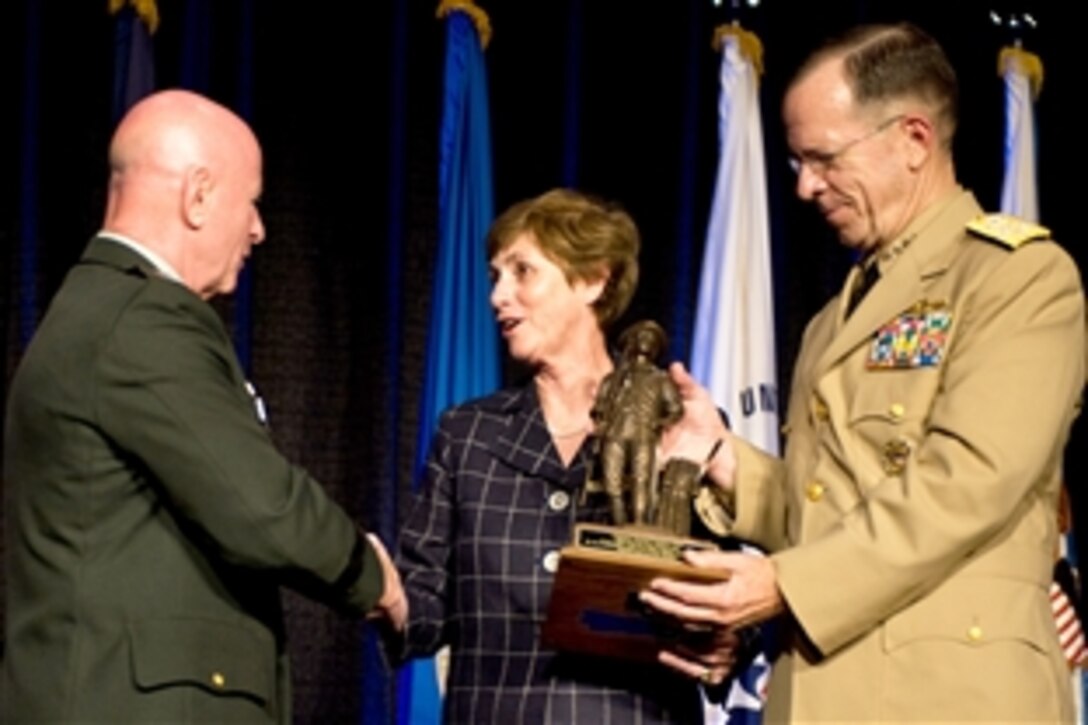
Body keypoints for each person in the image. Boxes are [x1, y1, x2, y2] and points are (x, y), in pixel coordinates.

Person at [640, 22, 1086, 722]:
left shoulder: (1020, 276)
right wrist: (726, 460)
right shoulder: (832, 320)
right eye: (796, 165)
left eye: (822, 158)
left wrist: (782, 584)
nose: (806, 187)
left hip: (947, 698)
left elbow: (968, 482)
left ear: (912, 140)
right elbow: (829, 507)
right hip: (818, 689)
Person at [1, 89, 406, 723]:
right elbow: (258, 506)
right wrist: (370, 573)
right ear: (197, 195)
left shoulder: (100, 309)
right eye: (251, 203)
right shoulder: (141, 317)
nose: (258, 229)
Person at [388, 188, 735, 723]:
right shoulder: (468, 434)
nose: (498, 296)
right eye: (494, 277)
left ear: (594, 279)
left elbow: (724, 592)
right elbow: (424, 608)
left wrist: (729, 641)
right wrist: (380, 594)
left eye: (522, 272)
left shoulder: (676, 424)